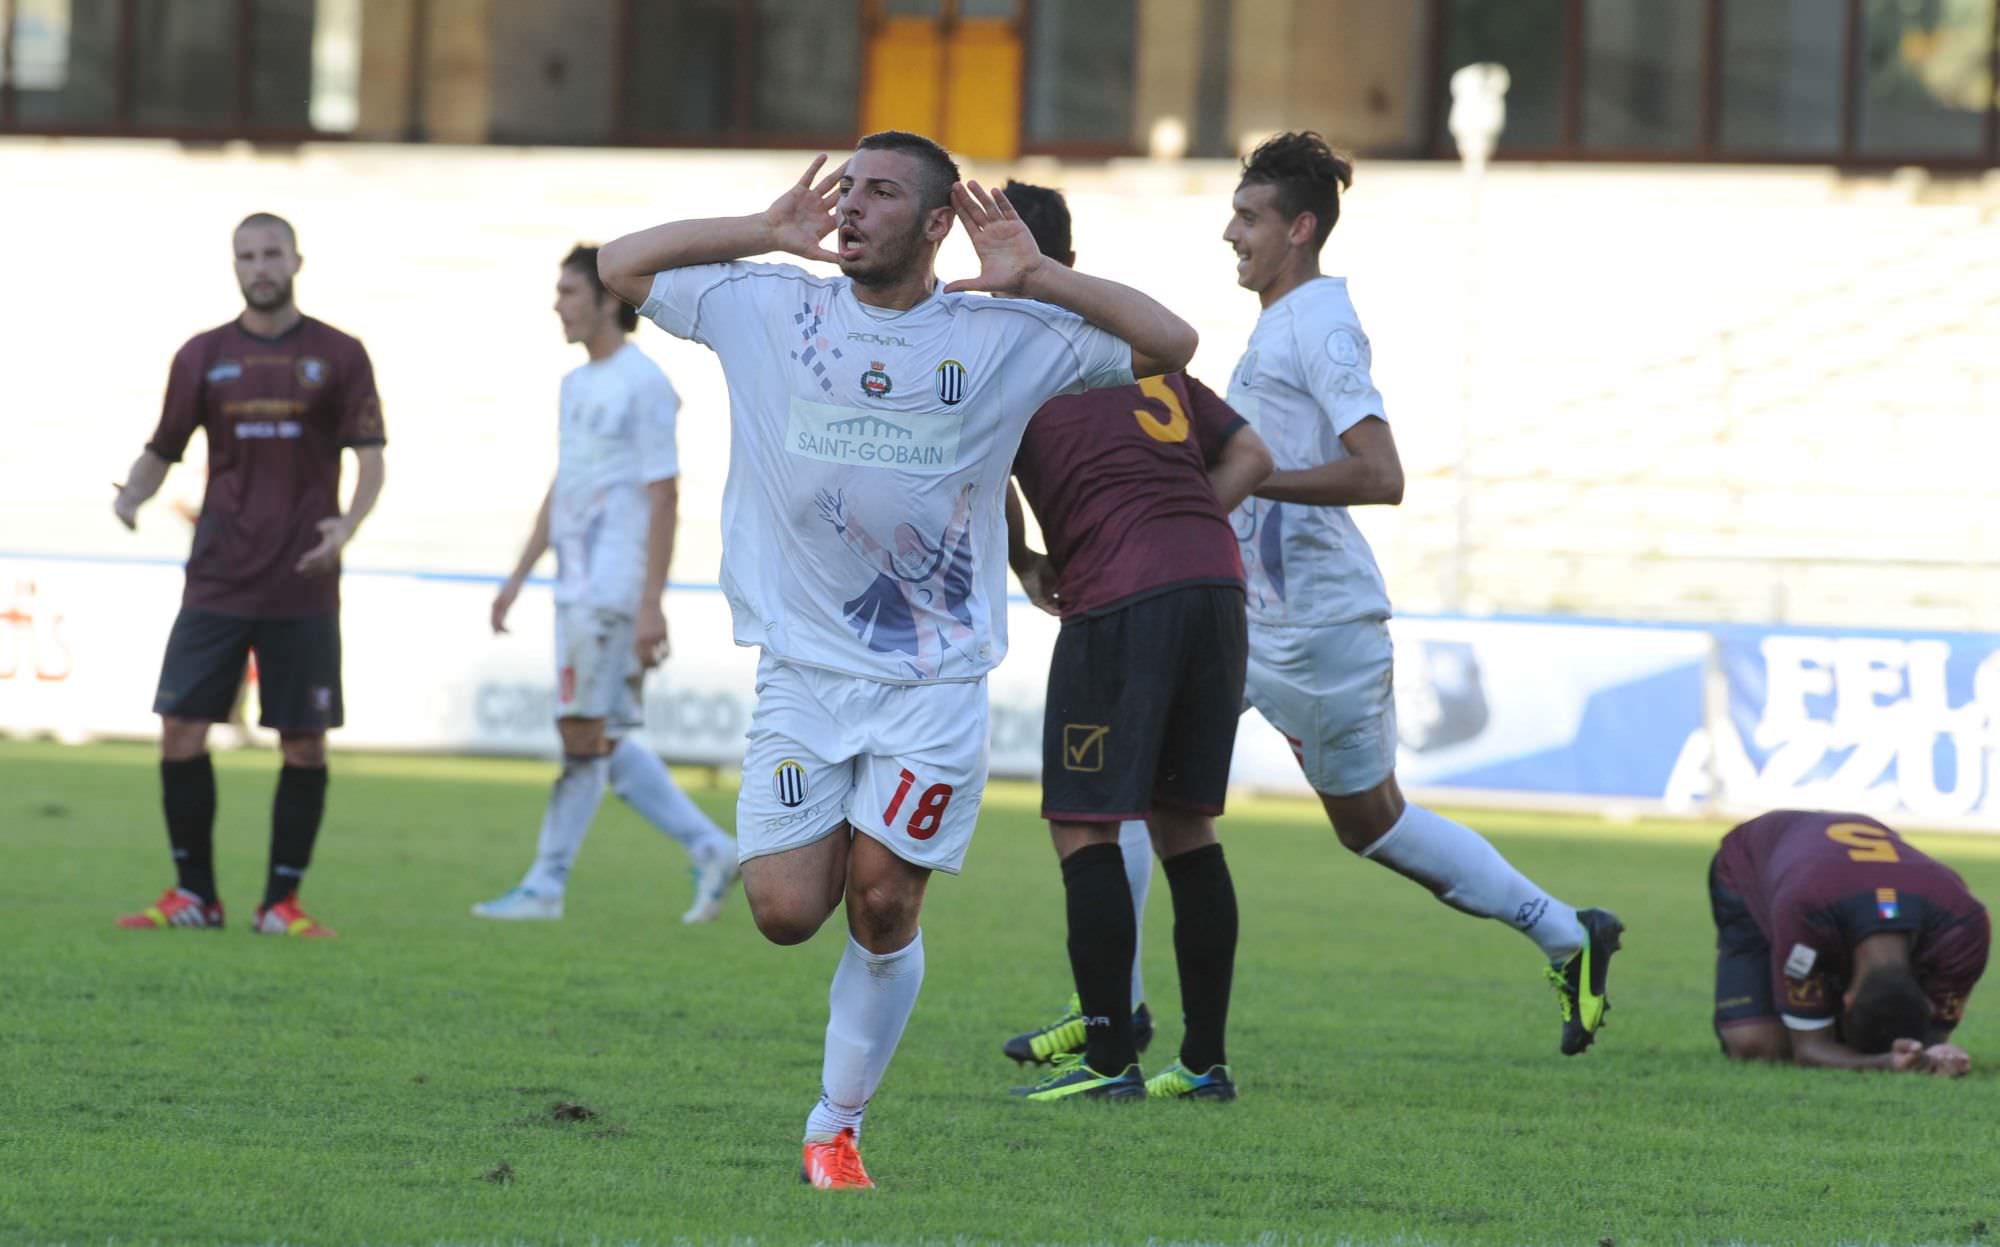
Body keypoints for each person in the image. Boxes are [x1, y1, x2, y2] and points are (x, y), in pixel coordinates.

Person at [597, 130, 1196, 1190]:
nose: (851, 207)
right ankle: (841, 1026)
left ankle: (835, 1124)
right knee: (786, 913)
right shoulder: (768, 304)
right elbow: (619, 265)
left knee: (882, 902)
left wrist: (1040, 274)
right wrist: (761, 230)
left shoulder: (1004, 330)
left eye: (881, 193)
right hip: (801, 672)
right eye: (848, 189)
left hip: (931, 682)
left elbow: (1172, 342)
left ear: (934, 226)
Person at [1221, 131, 1620, 1054]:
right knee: (1142, 784)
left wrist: (1248, 474)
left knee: (1371, 825)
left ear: (1300, 228)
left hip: (1317, 622)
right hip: (1249, 613)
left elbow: (1381, 473)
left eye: (1249, 217)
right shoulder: (1279, 320)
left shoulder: (1320, 323)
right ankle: (1128, 1024)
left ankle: (1568, 931)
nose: (1230, 232)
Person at [993, 181, 1274, 1103]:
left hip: (1121, 600)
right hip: (1215, 585)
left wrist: (1026, 561)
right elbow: (1251, 456)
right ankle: (1203, 1062)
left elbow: (968, 470)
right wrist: (1186, 521)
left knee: (1084, 823)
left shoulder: (1005, 356)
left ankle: (1109, 1060)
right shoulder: (1137, 348)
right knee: (1185, 822)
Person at [112, 212, 386, 938]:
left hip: (302, 579)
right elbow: (161, 446)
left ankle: (280, 904)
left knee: (303, 741)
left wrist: (347, 525)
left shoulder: (340, 354)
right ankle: (194, 895)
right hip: (217, 578)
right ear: (233, 265)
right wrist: (133, 492)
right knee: (179, 729)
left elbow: (370, 456)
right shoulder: (202, 355)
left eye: (271, 253)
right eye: (246, 255)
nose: (259, 266)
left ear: (297, 259)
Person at [474, 245, 739, 926]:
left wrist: (651, 603)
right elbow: (567, 484)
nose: (558, 304)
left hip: (613, 588)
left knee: (581, 733)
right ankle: (712, 847)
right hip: (577, 586)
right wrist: (518, 574)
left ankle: (546, 883)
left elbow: (664, 493)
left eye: (568, 291)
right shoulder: (577, 383)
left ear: (607, 300)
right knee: (602, 735)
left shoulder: (643, 382)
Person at [1710, 809, 1986, 1074]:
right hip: (1753, 859)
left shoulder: (1964, 927)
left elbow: (1932, 1039)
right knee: (1758, 1046)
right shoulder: (1804, 912)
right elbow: (1809, 1049)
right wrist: (1884, 1063)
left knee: (1837, 1032)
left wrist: (1933, 1054)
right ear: (1845, 999)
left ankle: (1848, 1031)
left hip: (1829, 879)